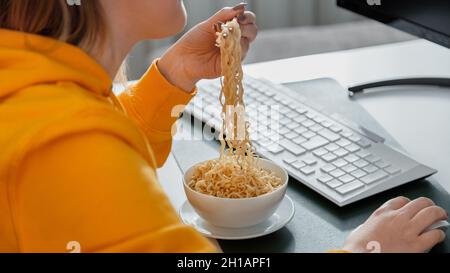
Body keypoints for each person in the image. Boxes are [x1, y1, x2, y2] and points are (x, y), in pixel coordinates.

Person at [0, 0, 446, 253]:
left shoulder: (35, 87)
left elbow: (105, 151)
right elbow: (87, 158)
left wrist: (173, 75)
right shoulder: (68, 143)